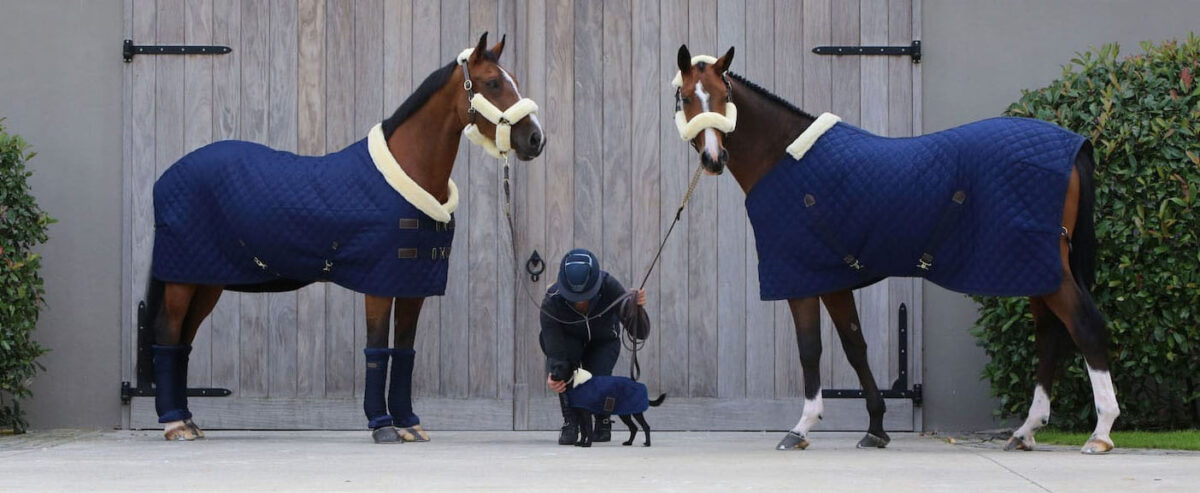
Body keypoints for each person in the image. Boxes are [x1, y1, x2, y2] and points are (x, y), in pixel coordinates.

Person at [540, 248, 650, 445]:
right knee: (565, 371)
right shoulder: (552, 300)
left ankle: (603, 420)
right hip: (570, 342)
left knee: (598, 378)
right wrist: (553, 373)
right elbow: (553, 344)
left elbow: (640, 333)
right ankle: (571, 421)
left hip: (604, 340)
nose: (580, 301)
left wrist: (638, 309)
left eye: (586, 295)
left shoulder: (609, 285)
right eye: (574, 297)